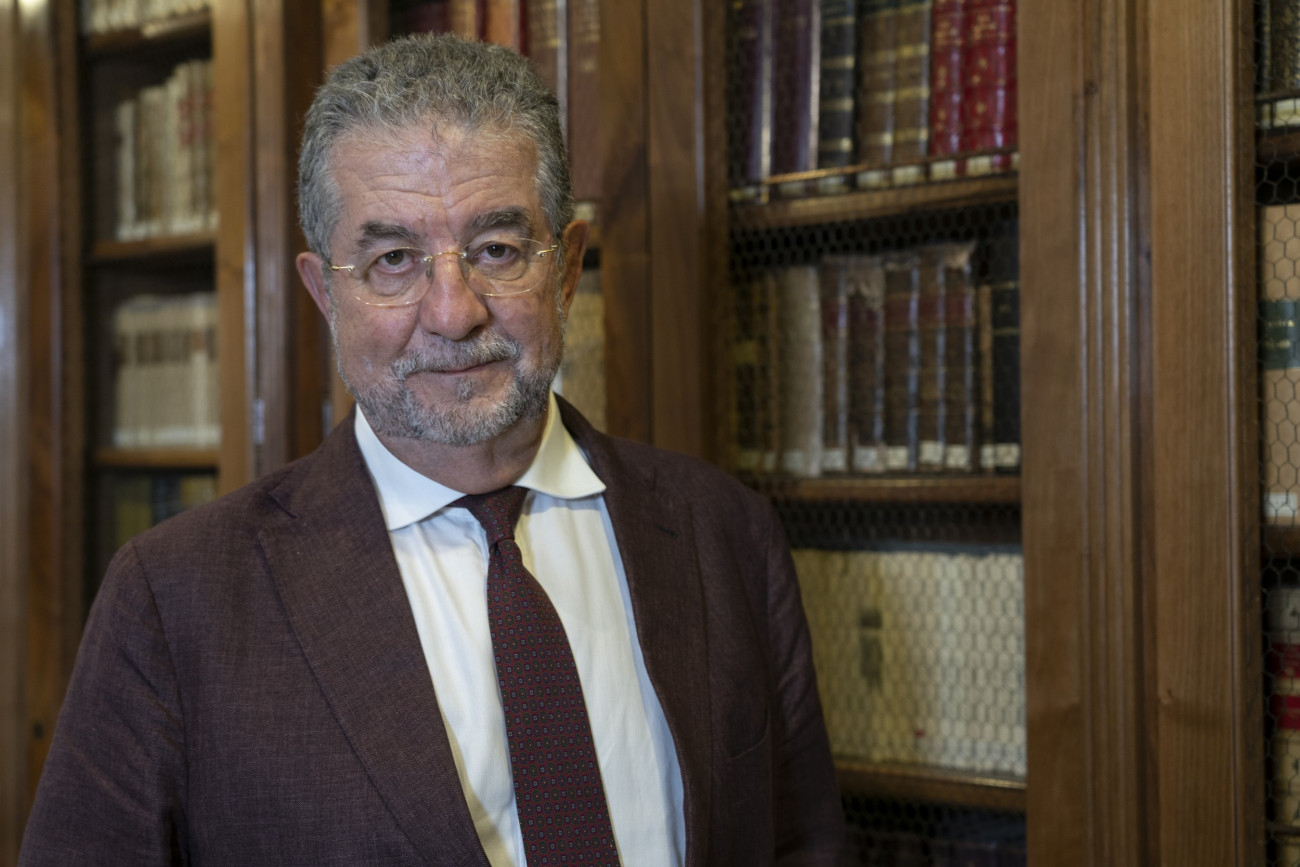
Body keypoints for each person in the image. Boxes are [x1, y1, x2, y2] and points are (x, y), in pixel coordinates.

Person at [19, 33, 843, 866]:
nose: (453, 313)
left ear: (565, 269)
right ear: (324, 292)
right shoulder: (175, 598)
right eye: (393, 261)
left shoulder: (724, 535)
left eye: (497, 250)